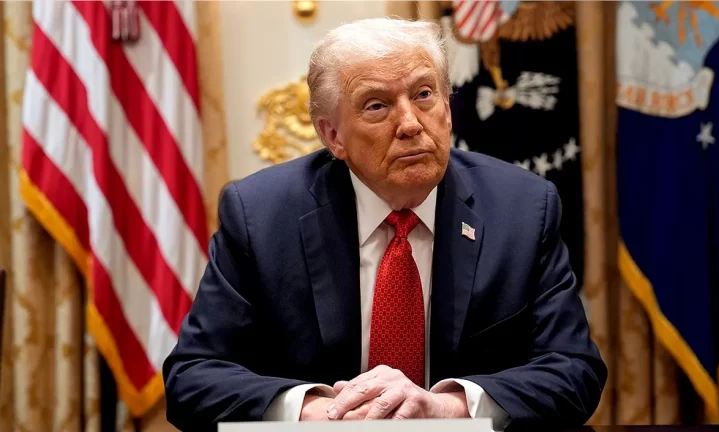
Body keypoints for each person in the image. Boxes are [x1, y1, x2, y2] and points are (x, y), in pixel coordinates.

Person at [163, 17, 606, 431]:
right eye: (377, 106)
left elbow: (574, 369)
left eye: (424, 95)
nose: (411, 124)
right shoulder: (260, 215)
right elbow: (193, 376)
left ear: (449, 110)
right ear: (333, 135)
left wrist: (449, 406)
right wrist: (317, 411)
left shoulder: (523, 208)